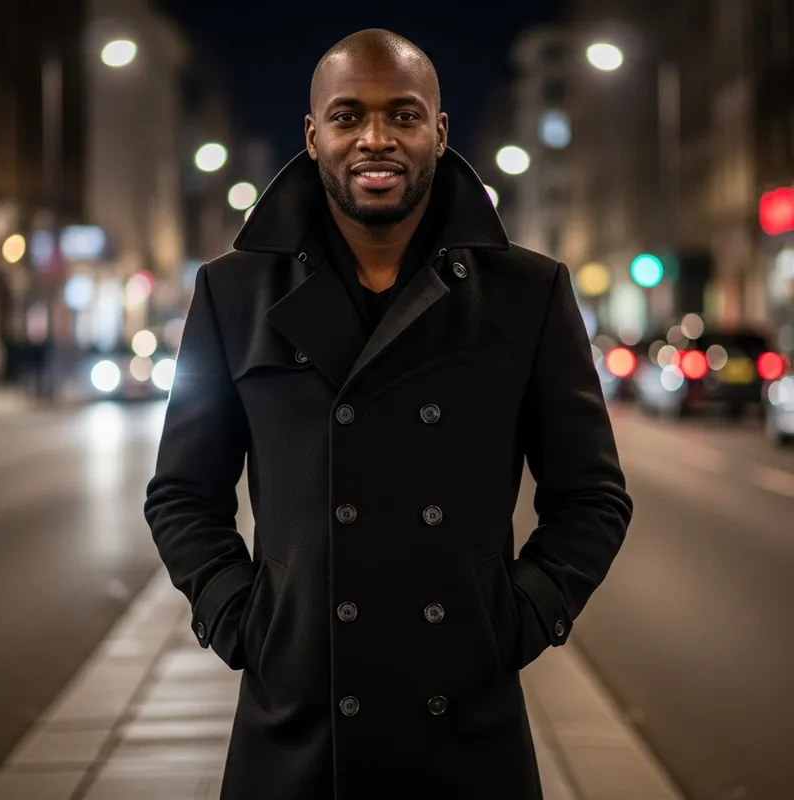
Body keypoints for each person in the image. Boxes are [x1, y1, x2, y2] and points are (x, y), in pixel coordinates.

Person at [145, 28, 633, 800]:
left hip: (466, 723)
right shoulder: (235, 293)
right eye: (348, 117)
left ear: (438, 132)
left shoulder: (526, 293)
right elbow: (182, 493)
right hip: (297, 723)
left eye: (403, 116)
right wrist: (241, 620)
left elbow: (592, 497)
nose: (376, 139)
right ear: (314, 137)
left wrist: (521, 616)